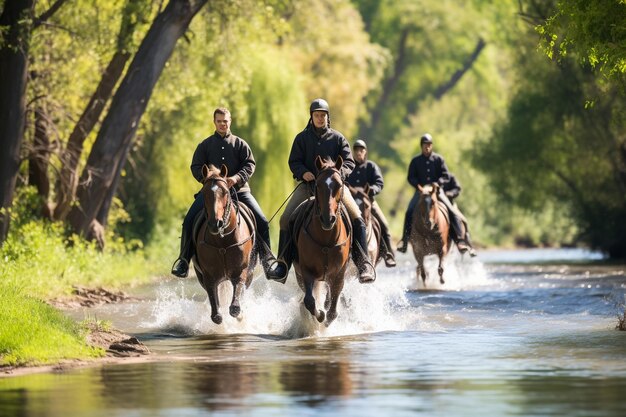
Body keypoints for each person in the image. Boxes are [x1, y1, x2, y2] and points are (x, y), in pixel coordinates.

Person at [266, 98, 376, 283]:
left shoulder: (339, 138)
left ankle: (363, 262)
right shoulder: (302, 138)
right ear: (311, 117)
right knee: (286, 219)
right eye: (316, 115)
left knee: (357, 217)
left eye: (323, 115)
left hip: (334, 189)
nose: (319, 118)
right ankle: (283, 265)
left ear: (327, 117)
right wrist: (304, 173)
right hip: (308, 188)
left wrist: (337, 175)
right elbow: (294, 161)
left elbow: (349, 162)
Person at [171, 107, 277, 278]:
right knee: (188, 220)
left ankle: (268, 262)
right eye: (219, 121)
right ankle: (184, 260)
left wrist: (236, 178)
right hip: (213, 194)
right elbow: (196, 167)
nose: (222, 124)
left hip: (239, 191)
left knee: (262, 221)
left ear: (230, 121)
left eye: (225, 121)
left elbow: (250, 164)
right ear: (214, 122)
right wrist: (208, 179)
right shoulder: (204, 145)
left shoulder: (240, 144)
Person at [397, 133, 475, 255]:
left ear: (431, 146)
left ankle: (460, 240)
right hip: (421, 192)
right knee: (409, 211)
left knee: (451, 210)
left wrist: (438, 183)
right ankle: (405, 241)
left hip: (437, 192)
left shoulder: (439, 159)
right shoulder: (415, 161)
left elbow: (446, 176)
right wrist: (418, 186)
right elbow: (410, 177)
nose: (427, 147)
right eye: (425, 145)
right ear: (421, 146)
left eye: (429, 145)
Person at [346, 139, 397, 267]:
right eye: (356, 150)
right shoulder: (348, 166)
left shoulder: (371, 166)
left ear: (365, 152)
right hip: (350, 201)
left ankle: (389, 254)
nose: (359, 153)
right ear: (353, 152)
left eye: (361, 150)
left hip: (369, 200)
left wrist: (372, 190)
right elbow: (342, 180)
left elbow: (379, 183)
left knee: (384, 224)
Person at [443, 173, 477, 256]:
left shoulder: (450, 177)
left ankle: (466, 243)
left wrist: (450, 193)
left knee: (464, 221)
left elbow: (457, 188)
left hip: (450, 204)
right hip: (434, 204)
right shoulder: (432, 178)